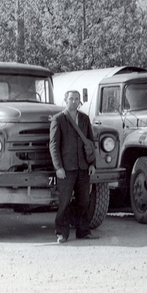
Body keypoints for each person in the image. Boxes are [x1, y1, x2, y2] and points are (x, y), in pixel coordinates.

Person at [49, 90, 98, 243]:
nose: (74, 102)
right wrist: (58, 167)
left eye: (77, 99)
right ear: (65, 100)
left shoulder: (84, 118)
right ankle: (61, 233)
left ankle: (83, 231)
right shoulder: (58, 119)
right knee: (64, 201)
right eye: (71, 99)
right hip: (66, 168)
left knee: (84, 200)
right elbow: (54, 145)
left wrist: (92, 164)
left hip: (83, 167)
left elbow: (91, 142)